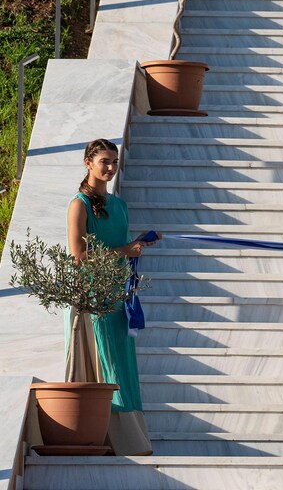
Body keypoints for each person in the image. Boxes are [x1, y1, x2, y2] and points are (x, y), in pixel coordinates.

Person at [66, 138, 155, 456]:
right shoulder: (80, 204)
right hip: (93, 295)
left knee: (124, 366)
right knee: (105, 362)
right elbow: (79, 255)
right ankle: (105, 439)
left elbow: (116, 247)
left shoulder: (119, 205)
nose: (111, 168)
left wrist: (136, 247)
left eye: (114, 162)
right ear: (88, 163)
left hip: (120, 294)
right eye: (104, 161)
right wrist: (124, 250)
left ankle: (133, 440)